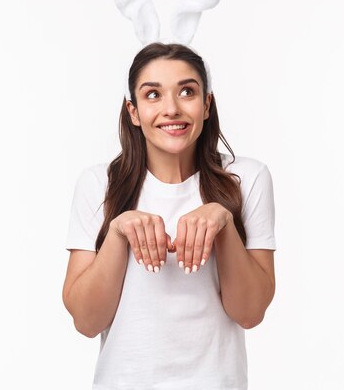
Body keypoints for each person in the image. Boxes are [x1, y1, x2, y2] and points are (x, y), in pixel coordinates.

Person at [62, 41, 277, 390]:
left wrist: (223, 223)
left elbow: (250, 313)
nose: (172, 109)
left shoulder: (247, 179)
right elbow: (86, 322)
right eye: (152, 95)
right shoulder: (99, 184)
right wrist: (118, 233)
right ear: (133, 111)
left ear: (206, 104)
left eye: (187, 92)